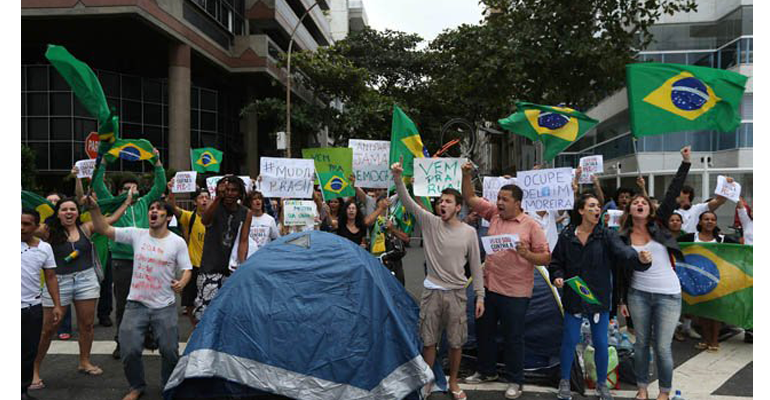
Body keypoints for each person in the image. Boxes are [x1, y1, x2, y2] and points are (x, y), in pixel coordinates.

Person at [391, 159, 484, 400]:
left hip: (457, 294)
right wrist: (398, 178)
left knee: (455, 343)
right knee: (429, 341)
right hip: (431, 293)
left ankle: (453, 382)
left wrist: (480, 295)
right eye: (440, 200)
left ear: (458, 207)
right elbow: (409, 203)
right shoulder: (430, 223)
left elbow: (475, 265)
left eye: (447, 201)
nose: (441, 204)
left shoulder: (469, 233)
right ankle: (428, 381)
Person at [86, 194, 192, 400]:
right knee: (129, 350)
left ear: (168, 217)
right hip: (136, 304)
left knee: (169, 351)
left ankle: (168, 385)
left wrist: (182, 282)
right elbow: (103, 229)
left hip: (165, 305)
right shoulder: (137, 234)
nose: (153, 211)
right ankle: (136, 386)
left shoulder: (177, 242)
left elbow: (187, 268)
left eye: (159, 209)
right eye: (151, 208)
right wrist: (94, 209)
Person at [459, 162, 551, 399]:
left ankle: (515, 380)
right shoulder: (493, 215)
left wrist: (528, 255)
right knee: (484, 331)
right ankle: (486, 371)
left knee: (513, 337)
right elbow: (469, 198)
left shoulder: (531, 226)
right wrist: (466, 174)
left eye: (504, 199)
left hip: (517, 293)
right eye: (498, 198)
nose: (499, 202)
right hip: (489, 288)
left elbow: (547, 257)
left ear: (518, 203)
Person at [550, 193, 652, 400]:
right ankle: (564, 381)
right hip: (574, 296)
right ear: (581, 211)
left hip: (598, 298)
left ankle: (602, 384)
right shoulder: (567, 235)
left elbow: (624, 252)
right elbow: (556, 263)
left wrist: (640, 259)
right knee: (569, 341)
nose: (597, 209)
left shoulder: (606, 235)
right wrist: (558, 277)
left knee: (601, 342)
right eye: (592, 206)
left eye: (598, 206)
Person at [31, 195, 131, 390]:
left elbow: (110, 221)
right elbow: (24, 227)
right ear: (57, 213)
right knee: (48, 329)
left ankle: (84, 362)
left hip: (86, 280)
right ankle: (34, 369)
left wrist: (126, 203)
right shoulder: (47, 230)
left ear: (78, 212)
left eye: (72, 209)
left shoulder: (86, 228)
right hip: (57, 282)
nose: (69, 212)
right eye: (64, 209)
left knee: (87, 325)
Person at [616, 146, 691, 400]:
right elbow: (622, 271)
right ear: (630, 210)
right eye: (634, 202)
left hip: (668, 295)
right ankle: (641, 389)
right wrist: (623, 300)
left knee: (662, 348)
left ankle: (664, 392)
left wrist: (685, 163)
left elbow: (671, 192)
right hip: (638, 295)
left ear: (649, 209)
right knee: (640, 344)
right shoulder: (623, 237)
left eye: (643, 202)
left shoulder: (660, 225)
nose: (639, 203)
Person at [92, 149, 166, 359]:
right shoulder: (114, 203)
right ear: (119, 191)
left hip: (147, 259)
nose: (129, 191)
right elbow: (97, 184)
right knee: (124, 302)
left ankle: (148, 336)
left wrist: (157, 161)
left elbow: (160, 185)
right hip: (122, 261)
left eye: (133, 187)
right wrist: (104, 161)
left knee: (151, 300)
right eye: (125, 188)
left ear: (138, 189)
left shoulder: (145, 203)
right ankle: (121, 341)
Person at [678, 211, 738, 353]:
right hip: (696, 280)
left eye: (712, 219)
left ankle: (714, 340)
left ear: (716, 223)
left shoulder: (722, 239)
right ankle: (705, 339)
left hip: (718, 280)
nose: (709, 222)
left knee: (715, 312)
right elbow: (675, 246)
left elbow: (739, 251)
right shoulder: (691, 238)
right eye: (706, 219)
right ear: (700, 222)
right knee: (702, 311)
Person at [195, 175, 252, 321]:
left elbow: (244, 241)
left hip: (231, 269)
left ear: (240, 193)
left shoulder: (246, 213)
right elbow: (205, 220)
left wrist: (242, 265)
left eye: (233, 190)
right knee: (206, 313)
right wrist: (218, 198)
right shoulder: (214, 207)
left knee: (229, 313)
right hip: (210, 268)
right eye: (226, 190)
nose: (229, 193)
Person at [22, 209, 63, 399]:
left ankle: (22, 390)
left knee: (29, 351)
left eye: (27, 224)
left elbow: (51, 277)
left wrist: (57, 304)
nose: (21, 228)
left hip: (32, 308)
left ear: (36, 226)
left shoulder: (44, 248)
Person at [167, 183, 210, 327]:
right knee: (189, 300)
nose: (204, 200)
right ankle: (195, 327)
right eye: (201, 197)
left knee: (209, 300)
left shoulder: (216, 218)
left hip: (210, 266)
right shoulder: (189, 217)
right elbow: (172, 208)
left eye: (207, 198)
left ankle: (206, 327)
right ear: (195, 202)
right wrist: (171, 191)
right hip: (193, 266)